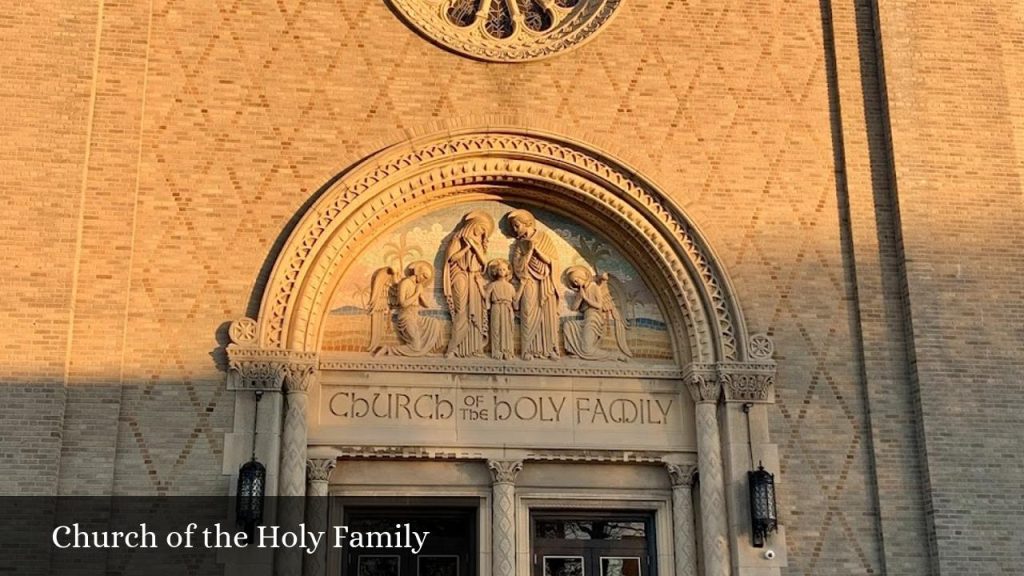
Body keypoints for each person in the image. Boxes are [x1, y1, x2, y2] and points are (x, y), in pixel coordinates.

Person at [507, 209, 560, 360]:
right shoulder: (519, 245)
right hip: (528, 280)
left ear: (528, 223)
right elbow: (517, 267)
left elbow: (552, 261)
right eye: (513, 227)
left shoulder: (544, 238)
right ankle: (528, 349)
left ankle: (550, 349)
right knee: (528, 312)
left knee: (547, 315)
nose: (515, 230)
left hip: (545, 282)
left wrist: (535, 249)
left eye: (517, 225)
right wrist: (528, 252)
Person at [443, 212, 493, 358]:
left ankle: (474, 348)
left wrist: (475, 246)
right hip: (460, 276)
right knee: (462, 312)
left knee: (476, 311)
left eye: (485, 230)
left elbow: (484, 262)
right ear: (473, 224)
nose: (483, 232)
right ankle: (452, 348)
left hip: (475, 279)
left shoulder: (478, 244)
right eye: (482, 228)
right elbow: (452, 258)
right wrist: (466, 247)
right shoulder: (458, 239)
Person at [562, 266, 632, 362]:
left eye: (576, 279)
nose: (575, 283)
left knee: (587, 349)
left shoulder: (594, 287)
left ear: (582, 276)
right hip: (585, 320)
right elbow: (574, 308)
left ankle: (615, 356)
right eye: (573, 282)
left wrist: (585, 298)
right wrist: (580, 297)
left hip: (593, 319)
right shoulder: (581, 292)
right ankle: (578, 352)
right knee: (568, 325)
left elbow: (599, 305)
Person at [374, 261, 443, 357]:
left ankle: (424, 351)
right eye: (424, 276)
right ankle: (388, 349)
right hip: (406, 317)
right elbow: (403, 303)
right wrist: (416, 293)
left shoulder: (418, 286)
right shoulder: (405, 283)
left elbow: (426, 305)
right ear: (418, 272)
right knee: (415, 345)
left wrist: (420, 293)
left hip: (416, 317)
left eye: (426, 278)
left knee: (434, 323)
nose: (424, 280)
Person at [481, 258, 517, 360]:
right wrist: (479, 284)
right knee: (496, 328)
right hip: (496, 307)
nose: (502, 271)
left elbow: (515, 301)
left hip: (507, 309)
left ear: (508, 272)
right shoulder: (493, 285)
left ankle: (507, 351)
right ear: (495, 271)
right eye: (499, 269)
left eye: (504, 269)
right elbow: (485, 296)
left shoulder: (510, 286)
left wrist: (522, 286)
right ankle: (496, 351)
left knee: (507, 330)